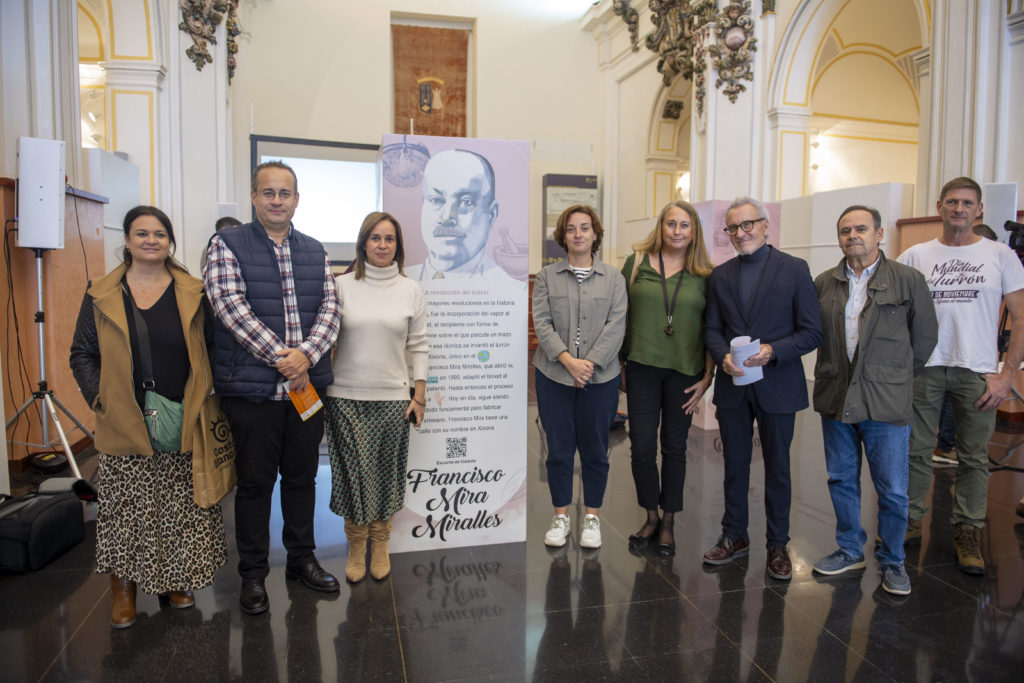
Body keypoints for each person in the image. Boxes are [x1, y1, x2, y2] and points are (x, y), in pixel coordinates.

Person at [70, 205, 226, 629]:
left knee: (179, 507)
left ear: (169, 241)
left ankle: (178, 579)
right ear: (127, 240)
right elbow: (81, 353)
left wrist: (202, 389)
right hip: (124, 417)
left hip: (181, 414)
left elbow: (212, 347)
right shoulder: (100, 293)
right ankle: (124, 590)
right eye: (142, 234)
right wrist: (99, 397)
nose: (151, 241)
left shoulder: (193, 292)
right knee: (126, 509)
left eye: (159, 234)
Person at [204, 161, 342, 614]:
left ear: (297, 199)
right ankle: (253, 575)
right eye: (268, 192)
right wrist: (285, 359)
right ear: (254, 197)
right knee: (255, 484)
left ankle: (301, 560)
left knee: (302, 479)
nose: (277, 200)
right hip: (253, 392)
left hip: (306, 389)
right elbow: (229, 305)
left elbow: (330, 309)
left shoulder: (315, 250)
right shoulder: (226, 244)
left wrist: (307, 356)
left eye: (285, 193)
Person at [897, 178, 1024, 575]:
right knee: (915, 451)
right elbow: (897, 313)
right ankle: (911, 519)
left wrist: (1007, 375)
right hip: (925, 368)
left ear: (979, 210)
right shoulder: (916, 255)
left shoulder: (1000, 255)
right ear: (939, 206)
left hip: (978, 372)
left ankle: (968, 530)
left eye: (967, 203)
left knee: (972, 457)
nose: (959, 209)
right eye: (952, 201)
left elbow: (1020, 317)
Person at [811, 205, 937, 596]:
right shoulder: (825, 282)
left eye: (861, 228)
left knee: (893, 489)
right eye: (846, 230)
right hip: (836, 395)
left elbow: (925, 338)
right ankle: (850, 549)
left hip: (885, 401)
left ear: (879, 234)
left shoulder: (908, 279)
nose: (853, 236)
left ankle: (893, 559)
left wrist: (893, 377)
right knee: (841, 478)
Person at [702, 197, 822, 580]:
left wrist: (773, 351)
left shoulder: (795, 269)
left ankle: (778, 544)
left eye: (748, 225)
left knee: (779, 469)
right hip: (734, 385)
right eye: (733, 228)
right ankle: (734, 536)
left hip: (778, 385)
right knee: (734, 466)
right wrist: (722, 356)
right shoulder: (720, 276)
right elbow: (712, 330)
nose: (741, 233)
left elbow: (811, 332)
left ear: (766, 226)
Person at [324, 211, 428, 582]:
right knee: (353, 474)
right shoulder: (340, 286)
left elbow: (418, 346)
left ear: (397, 247)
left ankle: (380, 541)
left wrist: (419, 395)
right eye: (375, 238)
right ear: (363, 242)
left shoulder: (410, 289)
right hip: (345, 396)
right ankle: (356, 544)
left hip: (394, 399)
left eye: (390, 239)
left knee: (386, 474)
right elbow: (325, 339)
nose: (382, 245)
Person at [620, 200, 715, 556]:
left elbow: (713, 328)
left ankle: (669, 520)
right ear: (661, 227)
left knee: (674, 448)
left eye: (684, 225)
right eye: (671, 224)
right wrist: (617, 363)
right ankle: (649, 514)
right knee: (642, 446)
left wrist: (708, 376)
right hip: (641, 366)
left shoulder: (706, 275)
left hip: (685, 372)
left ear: (694, 232)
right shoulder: (636, 264)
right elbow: (619, 314)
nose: (677, 231)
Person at [532, 205, 627, 549]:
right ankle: (560, 516)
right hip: (554, 376)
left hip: (600, 380)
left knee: (595, 450)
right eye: (571, 229)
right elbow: (541, 323)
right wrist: (568, 361)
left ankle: (591, 518)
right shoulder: (547, 277)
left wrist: (589, 364)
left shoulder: (614, 278)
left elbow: (617, 325)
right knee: (558, 450)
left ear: (595, 234)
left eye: (584, 228)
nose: (578, 234)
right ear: (563, 236)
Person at [933, 222, 999, 466]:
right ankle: (946, 445)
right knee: (949, 405)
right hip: (939, 359)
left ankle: (946, 445)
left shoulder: (997, 265)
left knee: (974, 456)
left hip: (975, 360)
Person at [410, 149, 519, 284]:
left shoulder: (511, 292)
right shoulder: (403, 284)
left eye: (465, 202)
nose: (446, 218)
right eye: (436, 200)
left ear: (491, 214)